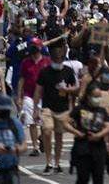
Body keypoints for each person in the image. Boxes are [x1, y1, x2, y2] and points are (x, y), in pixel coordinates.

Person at [33, 45, 77, 174]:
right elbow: (38, 91)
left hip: (63, 109)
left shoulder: (68, 71)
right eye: (56, 59)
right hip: (47, 107)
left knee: (59, 137)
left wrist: (68, 92)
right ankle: (48, 162)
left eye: (60, 59)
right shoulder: (45, 72)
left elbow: (75, 90)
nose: (58, 61)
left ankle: (57, 164)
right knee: (47, 130)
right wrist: (36, 109)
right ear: (51, 59)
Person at [62, 82, 109, 184]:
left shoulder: (102, 110)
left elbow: (108, 126)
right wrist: (76, 132)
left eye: (99, 97)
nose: (97, 99)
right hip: (83, 148)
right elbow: (65, 122)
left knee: (98, 178)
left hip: (98, 148)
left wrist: (99, 135)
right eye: (95, 96)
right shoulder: (80, 109)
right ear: (88, 96)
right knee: (83, 178)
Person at [16, 37, 49, 157]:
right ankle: (35, 146)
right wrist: (19, 96)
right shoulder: (26, 62)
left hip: (45, 96)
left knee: (45, 124)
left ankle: (42, 138)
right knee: (32, 121)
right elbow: (22, 79)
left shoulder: (46, 61)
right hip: (29, 95)